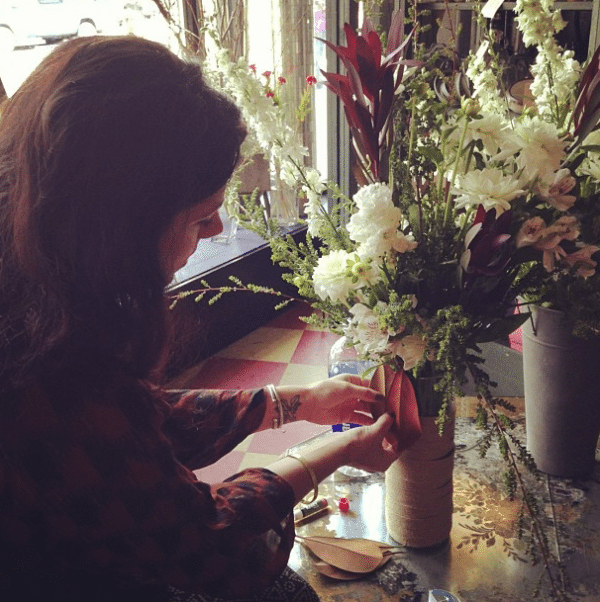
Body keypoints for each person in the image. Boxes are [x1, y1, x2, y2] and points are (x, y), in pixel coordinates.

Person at [0, 36, 398, 601]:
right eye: (202, 215)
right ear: (119, 231)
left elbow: (134, 422)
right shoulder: (48, 374)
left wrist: (298, 404)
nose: (215, 231)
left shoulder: (38, 292)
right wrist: (335, 450)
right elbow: (207, 547)